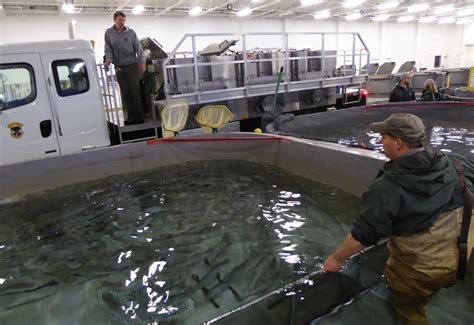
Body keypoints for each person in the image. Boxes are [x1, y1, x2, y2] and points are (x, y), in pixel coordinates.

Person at [322, 113, 474, 324]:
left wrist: (336, 259)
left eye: (384, 136)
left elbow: (361, 237)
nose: (380, 140)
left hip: (420, 274)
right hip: (460, 257)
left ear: (398, 142)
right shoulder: (454, 164)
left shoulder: (388, 187)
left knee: (408, 310)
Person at [104, 11, 146, 125]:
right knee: (125, 92)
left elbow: (139, 49)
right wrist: (109, 58)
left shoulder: (131, 33)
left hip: (132, 65)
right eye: (119, 20)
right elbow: (108, 48)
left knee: (134, 91)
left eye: (123, 20)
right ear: (114, 20)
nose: (122, 22)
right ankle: (131, 117)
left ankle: (139, 117)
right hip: (119, 67)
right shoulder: (109, 33)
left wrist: (142, 63)